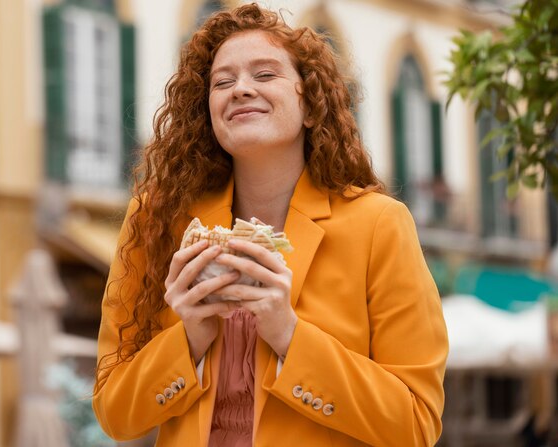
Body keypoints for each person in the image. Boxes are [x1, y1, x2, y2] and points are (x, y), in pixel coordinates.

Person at [92, 4, 448, 446]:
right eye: (223, 82)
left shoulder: (380, 225)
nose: (241, 89)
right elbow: (115, 414)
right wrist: (190, 338)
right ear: (208, 113)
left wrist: (288, 335)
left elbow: (416, 423)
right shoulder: (154, 219)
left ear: (312, 106)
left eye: (264, 75)